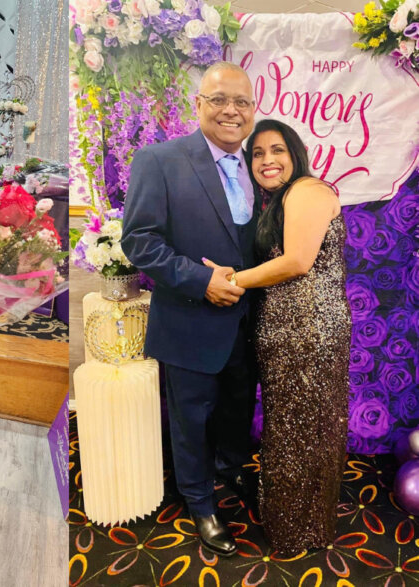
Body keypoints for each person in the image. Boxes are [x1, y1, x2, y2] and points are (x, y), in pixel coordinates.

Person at [121, 62, 260, 557]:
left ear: (253, 110)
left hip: (248, 324)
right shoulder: (159, 160)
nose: (231, 110)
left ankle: (229, 472)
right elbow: (139, 241)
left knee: (236, 411)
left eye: (242, 102)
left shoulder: (258, 166)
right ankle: (199, 502)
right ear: (197, 104)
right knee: (191, 419)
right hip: (189, 321)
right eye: (219, 99)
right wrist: (202, 281)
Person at [203, 119, 351, 556]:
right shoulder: (278, 201)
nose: (267, 160)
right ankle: (293, 521)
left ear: (296, 154)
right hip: (284, 333)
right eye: (258, 153)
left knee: (305, 431)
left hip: (309, 331)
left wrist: (232, 279)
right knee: (291, 430)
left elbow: (297, 262)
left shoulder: (307, 190)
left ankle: (299, 528)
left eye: (277, 150)